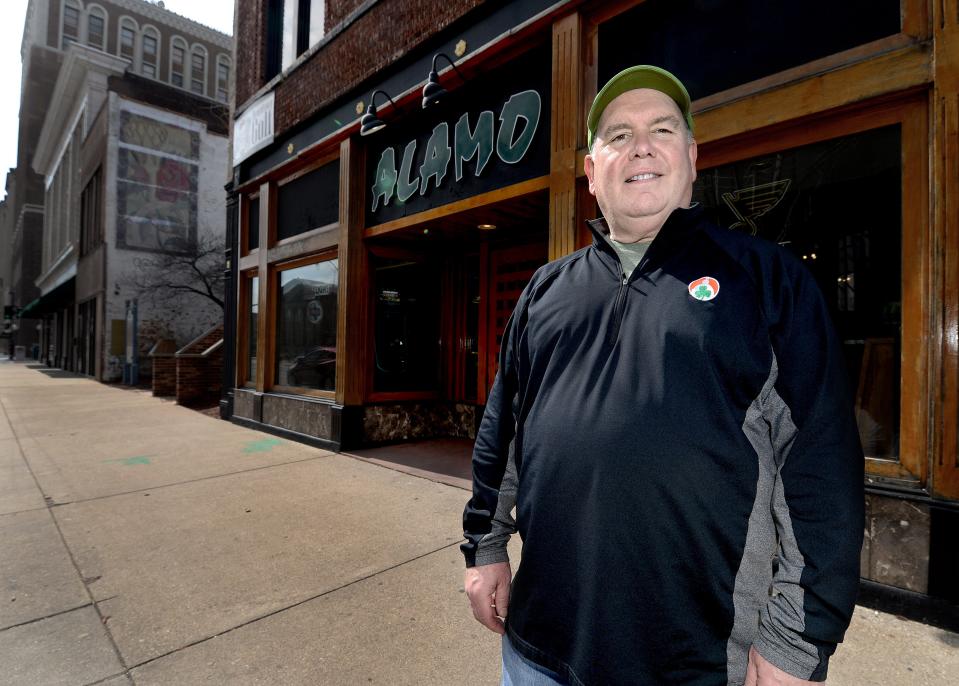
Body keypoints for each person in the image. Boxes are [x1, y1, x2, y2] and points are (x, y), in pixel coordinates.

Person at [461, 65, 864, 686]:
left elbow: (821, 471)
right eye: (617, 135)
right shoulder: (546, 290)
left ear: (693, 156)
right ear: (591, 171)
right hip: (537, 650)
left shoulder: (768, 282)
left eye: (662, 128)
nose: (641, 145)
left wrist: (797, 639)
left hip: (694, 665)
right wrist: (485, 549)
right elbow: (503, 433)